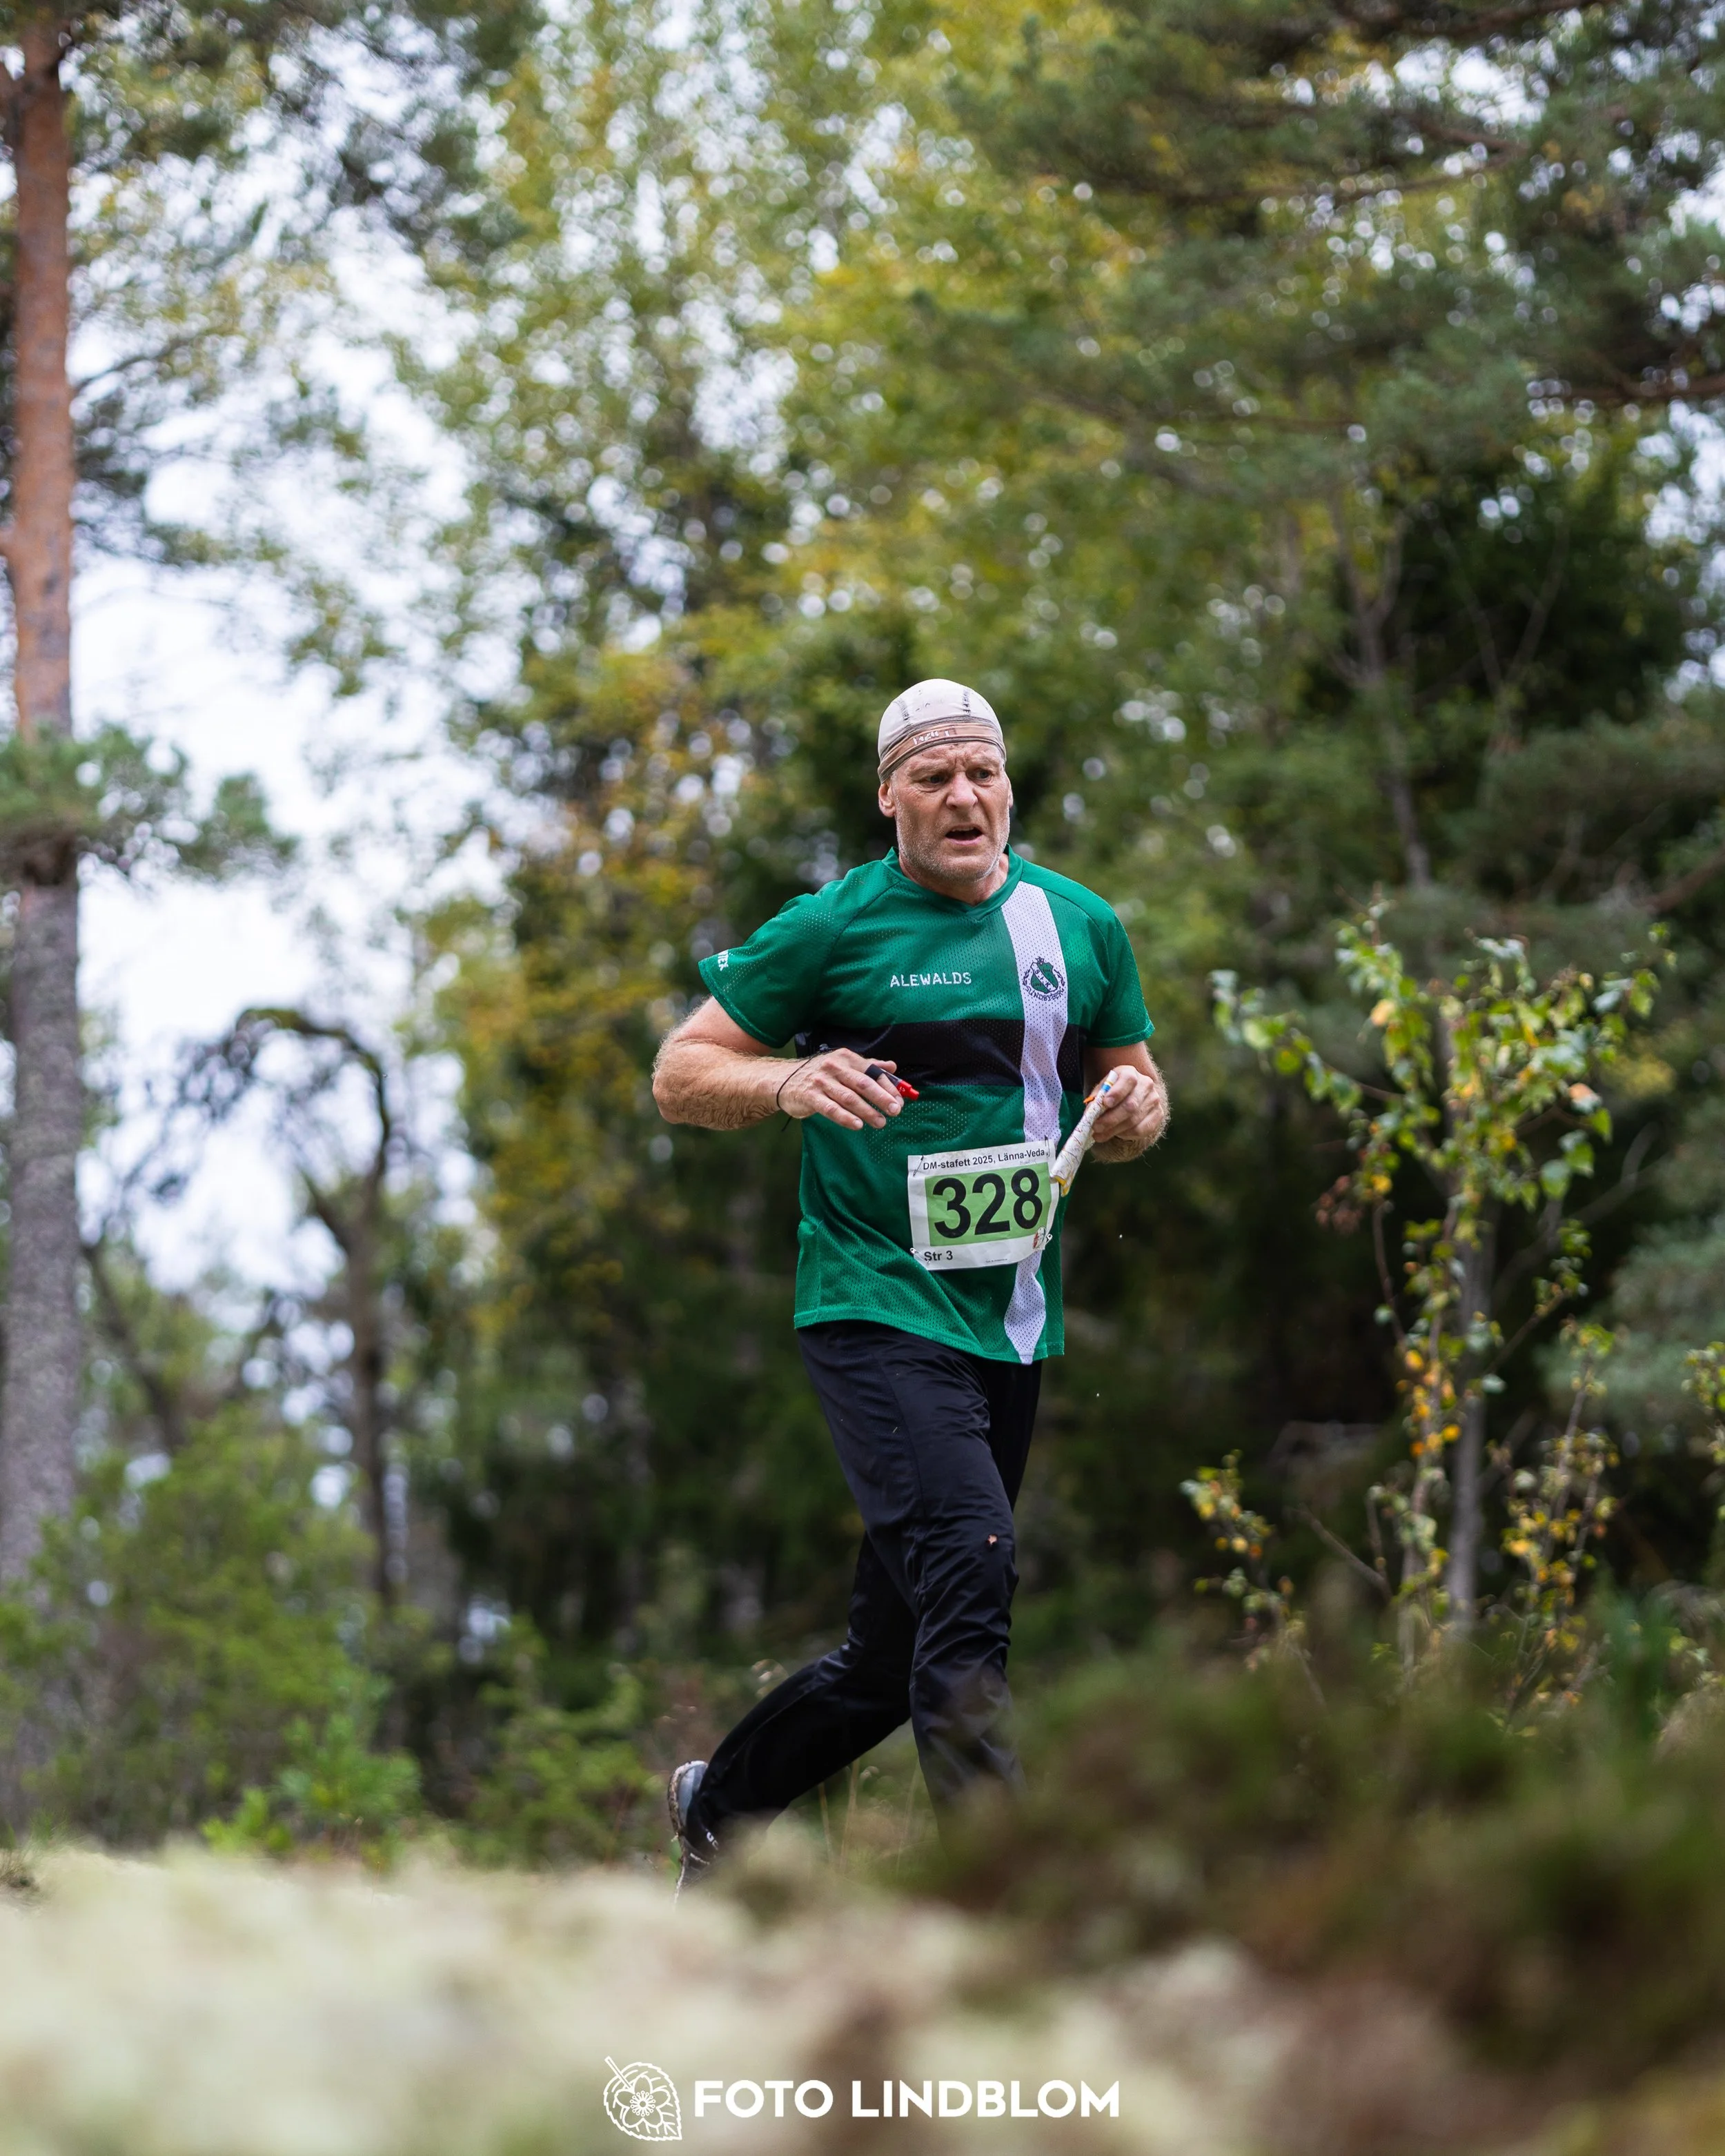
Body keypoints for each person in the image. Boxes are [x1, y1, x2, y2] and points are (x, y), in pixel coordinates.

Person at [650, 678, 1169, 1887]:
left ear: (1008, 787)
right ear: (889, 797)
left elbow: (1132, 1097)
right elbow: (682, 1070)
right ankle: (1006, 1903)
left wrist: (1139, 1107)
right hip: (874, 1301)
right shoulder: (832, 928)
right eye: (934, 777)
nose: (963, 796)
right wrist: (784, 1082)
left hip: (1010, 1324)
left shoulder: (1079, 927)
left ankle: (722, 1806)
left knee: (892, 1658)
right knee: (972, 1565)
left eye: (982, 773)